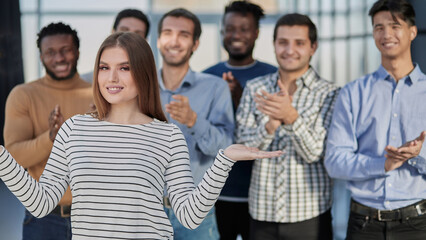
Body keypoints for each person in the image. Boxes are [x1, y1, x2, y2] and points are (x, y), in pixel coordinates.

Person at [0, 31, 282, 240]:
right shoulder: (75, 129)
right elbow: (40, 202)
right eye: (104, 68)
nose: (112, 78)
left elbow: (189, 214)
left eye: (124, 68)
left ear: (144, 73)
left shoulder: (168, 135)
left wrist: (223, 160)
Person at [325, 0, 426, 239]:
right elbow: (334, 161)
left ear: (412, 31)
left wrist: (417, 155)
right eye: (378, 27)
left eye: (394, 25)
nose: (386, 34)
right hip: (363, 225)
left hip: (417, 224)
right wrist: (382, 165)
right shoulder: (352, 93)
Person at [236, 14, 339, 240]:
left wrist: (291, 117)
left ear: (313, 47)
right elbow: (242, 150)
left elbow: (317, 154)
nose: (289, 50)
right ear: (274, 45)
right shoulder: (256, 89)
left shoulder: (330, 94)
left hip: (310, 216)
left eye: (299, 43)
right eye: (283, 42)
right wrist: (270, 125)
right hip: (262, 213)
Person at [3, 22, 93, 240]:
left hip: (94, 217)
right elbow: (14, 157)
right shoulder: (23, 94)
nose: (59, 58)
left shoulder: (98, 96)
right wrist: (52, 138)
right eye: (50, 52)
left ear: (77, 52)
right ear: (41, 57)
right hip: (44, 218)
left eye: (66, 50)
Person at [156, 8, 234, 240]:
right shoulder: (139, 87)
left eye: (184, 35)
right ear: (159, 39)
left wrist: (193, 121)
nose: (174, 41)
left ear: (195, 44)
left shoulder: (215, 88)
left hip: (196, 212)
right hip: (146, 211)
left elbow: (225, 149)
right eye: (168, 33)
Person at [203, 1, 276, 239]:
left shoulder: (272, 76)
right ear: (222, 31)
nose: (236, 35)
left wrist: (239, 99)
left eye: (244, 29)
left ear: (256, 33)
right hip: (216, 195)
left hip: (261, 197)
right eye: (230, 28)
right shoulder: (207, 77)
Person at [81, 8, 150, 83]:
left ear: (145, 41)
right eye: (124, 30)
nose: (129, 38)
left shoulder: (153, 83)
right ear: (113, 33)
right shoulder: (86, 83)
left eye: (137, 34)